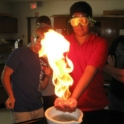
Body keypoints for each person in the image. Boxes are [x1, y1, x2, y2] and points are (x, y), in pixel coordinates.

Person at [54, 1, 109, 123]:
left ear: (90, 20)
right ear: (71, 23)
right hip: (69, 107)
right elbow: (60, 72)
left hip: (95, 106)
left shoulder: (100, 43)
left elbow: (90, 71)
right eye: (75, 21)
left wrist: (74, 97)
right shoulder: (63, 42)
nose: (79, 26)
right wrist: (62, 97)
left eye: (83, 21)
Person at [1, 25, 52, 123]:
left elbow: (41, 87)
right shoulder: (20, 52)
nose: (39, 41)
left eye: (43, 39)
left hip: (38, 106)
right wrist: (10, 96)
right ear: (32, 38)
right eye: (37, 37)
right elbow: (5, 75)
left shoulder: (45, 59)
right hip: (21, 107)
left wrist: (47, 77)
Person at [28, 15, 56, 111]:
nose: (42, 29)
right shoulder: (31, 47)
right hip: (34, 90)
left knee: (50, 113)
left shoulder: (55, 45)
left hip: (50, 89)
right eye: (40, 26)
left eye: (45, 26)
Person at [103, 36, 124, 113]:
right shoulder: (119, 41)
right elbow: (104, 66)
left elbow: (109, 69)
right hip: (113, 94)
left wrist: (112, 71)